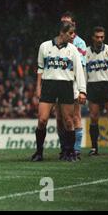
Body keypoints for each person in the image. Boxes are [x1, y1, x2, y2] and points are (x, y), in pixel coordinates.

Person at [32, 22, 87, 162]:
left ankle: (69, 152)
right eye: (70, 33)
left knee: (69, 121)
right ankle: (39, 152)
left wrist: (82, 91)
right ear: (62, 33)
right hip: (49, 85)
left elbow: (79, 71)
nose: (73, 36)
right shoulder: (44, 46)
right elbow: (40, 69)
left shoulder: (73, 50)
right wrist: (38, 87)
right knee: (42, 120)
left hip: (66, 85)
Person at [85, 27, 108, 156]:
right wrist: (82, 89)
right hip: (93, 86)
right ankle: (94, 148)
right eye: (97, 37)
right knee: (94, 117)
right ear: (93, 38)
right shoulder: (86, 52)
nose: (100, 39)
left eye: (102, 37)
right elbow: (84, 72)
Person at [56, 12, 87, 160]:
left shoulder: (79, 43)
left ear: (74, 25)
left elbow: (79, 66)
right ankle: (64, 148)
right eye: (62, 22)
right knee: (59, 118)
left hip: (73, 83)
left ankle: (76, 149)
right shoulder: (55, 42)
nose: (65, 24)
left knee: (75, 116)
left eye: (67, 22)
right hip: (59, 83)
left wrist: (82, 89)